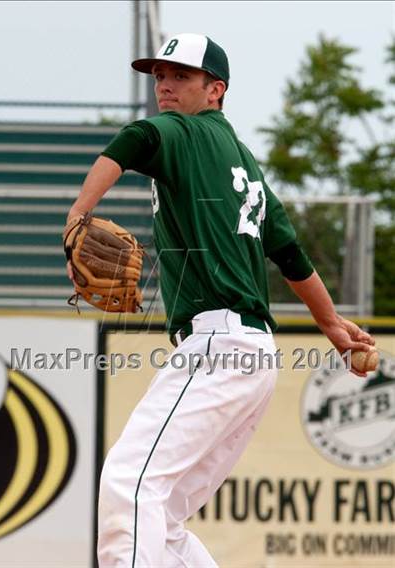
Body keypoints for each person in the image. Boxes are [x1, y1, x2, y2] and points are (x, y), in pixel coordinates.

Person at [66, 33, 375, 568]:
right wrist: (330, 325)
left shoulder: (184, 131)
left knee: (129, 484)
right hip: (253, 354)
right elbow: (289, 251)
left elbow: (134, 139)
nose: (165, 85)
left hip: (218, 345)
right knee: (164, 517)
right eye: (160, 75)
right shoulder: (245, 164)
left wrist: (77, 216)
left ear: (216, 90)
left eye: (181, 76)